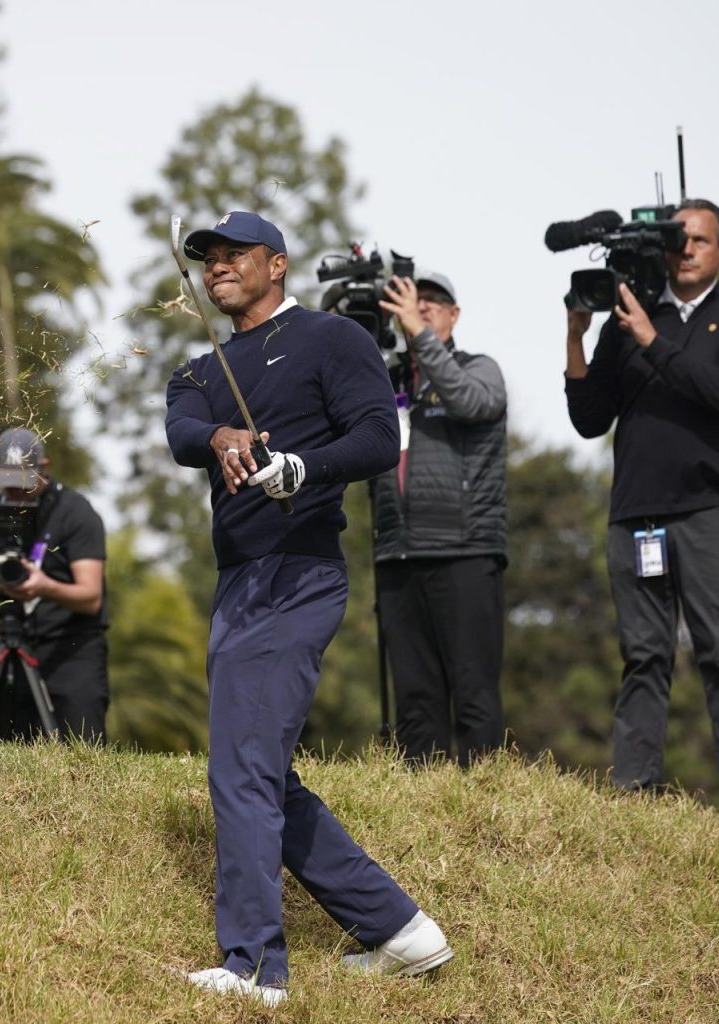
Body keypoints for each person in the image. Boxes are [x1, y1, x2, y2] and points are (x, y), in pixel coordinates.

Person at [165, 211, 452, 1007]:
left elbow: (375, 437)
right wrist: (222, 432)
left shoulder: (331, 340)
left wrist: (302, 467)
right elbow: (180, 427)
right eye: (207, 258)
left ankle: (255, 968)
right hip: (239, 583)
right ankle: (401, 932)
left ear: (278, 264)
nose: (218, 266)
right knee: (256, 772)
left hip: (298, 575)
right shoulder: (200, 369)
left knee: (242, 771)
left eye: (234, 255)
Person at [563, 198, 719, 808]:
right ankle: (635, 793)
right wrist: (576, 338)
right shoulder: (627, 319)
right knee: (644, 653)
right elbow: (588, 419)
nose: (687, 251)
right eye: (678, 240)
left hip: (711, 510)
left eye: (700, 241)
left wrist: (654, 341)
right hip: (636, 514)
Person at [371, 269, 508, 766]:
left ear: (454, 314)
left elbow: (470, 401)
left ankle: (488, 802)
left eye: (433, 300)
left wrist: (420, 338)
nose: (421, 306)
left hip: (465, 550)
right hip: (397, 552)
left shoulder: (479, 368)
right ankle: (424, 806)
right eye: (412, 300)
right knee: (415, 699)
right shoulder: (385, 380)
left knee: (473, 692)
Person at [0, 427, 109, 744]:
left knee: (82, 753)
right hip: (14, 645)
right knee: (14, 757)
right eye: (8, 483)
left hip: (72, 650)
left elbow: (91, 597)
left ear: (43, 467)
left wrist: (44, 587)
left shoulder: (75, 512)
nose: (16, 493)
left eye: (24, 484)